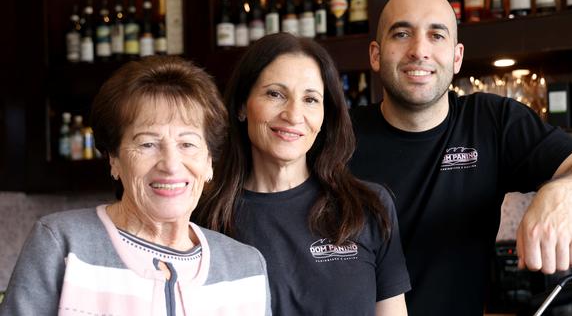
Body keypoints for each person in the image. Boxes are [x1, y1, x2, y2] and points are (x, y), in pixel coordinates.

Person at [348, 0, 572, 315]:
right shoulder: (338, 137)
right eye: (401, 34)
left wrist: (559, 196)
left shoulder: (490, 121)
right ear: (375, 54)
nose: (419, 50)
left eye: (436, 35)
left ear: (457, 57)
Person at [0, 56, 271, 315]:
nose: (171, 164)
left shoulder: (246, 269)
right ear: (114, 160)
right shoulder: (61, 244)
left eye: (187, 144)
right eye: (147, 144)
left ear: (209, 162)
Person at [195, 33, 411, 316]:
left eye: (310, 99)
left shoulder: (368, 207)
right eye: (275, 94)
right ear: (241, 106)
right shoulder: (203, 217)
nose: (294, 114)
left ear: (325, 115)